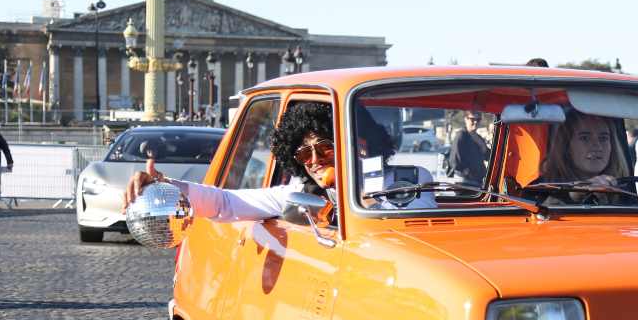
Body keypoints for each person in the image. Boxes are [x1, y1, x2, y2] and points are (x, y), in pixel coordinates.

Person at [124, 103, 434, 218]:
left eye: (325, 149)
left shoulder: (411, 179)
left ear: (359, 145)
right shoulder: (301, 196)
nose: (313, 161)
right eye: (303, 153)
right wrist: (165, 184)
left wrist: (372, 203)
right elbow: (225, 203)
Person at [538, 109, 632, 203]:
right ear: (566, 146)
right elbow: (534, 212)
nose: (597, 146)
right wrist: (574, 194)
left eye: (603, 138)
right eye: (585, 138)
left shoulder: (624, 192)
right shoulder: (540, 189)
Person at [447, 111, 489, 188]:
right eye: (472, 119)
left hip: (478, 183)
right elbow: (454, 161)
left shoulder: (479, 138)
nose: (475, 122)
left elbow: (489, 156)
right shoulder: (461, 136)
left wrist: (483, 147)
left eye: (478, 119)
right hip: (464, 184)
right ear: (466, 119)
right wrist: (468, 172)